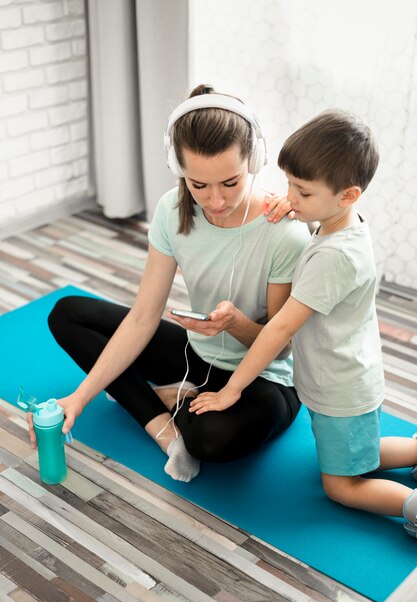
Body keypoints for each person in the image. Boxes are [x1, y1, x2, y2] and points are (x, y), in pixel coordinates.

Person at [27, 84, 310, 482]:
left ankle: (161, 396)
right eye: (199, 185)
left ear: (255, 160)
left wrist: (234, 324)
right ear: (180, 172)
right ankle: (163, 425)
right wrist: (79, 398)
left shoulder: (285, 232)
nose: (215, 201)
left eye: (230, 183)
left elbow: (279, 350)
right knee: (68, 313)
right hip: (199, 355)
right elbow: (143, 318)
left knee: (210, 441)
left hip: (263, 377)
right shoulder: (171, 212)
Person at [190, 108, 417, 536]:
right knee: (357, 452)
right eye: (290, 184)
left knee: (341, 484)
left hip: (340, 389)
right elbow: (317, 213)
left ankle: (410, 505)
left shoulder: (332, 257)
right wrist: (300, 206)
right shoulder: (341, 224)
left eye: (302, 191)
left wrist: (231, 390)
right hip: (349, 376)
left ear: (348, 195)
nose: (289, 198)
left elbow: (280, 328)